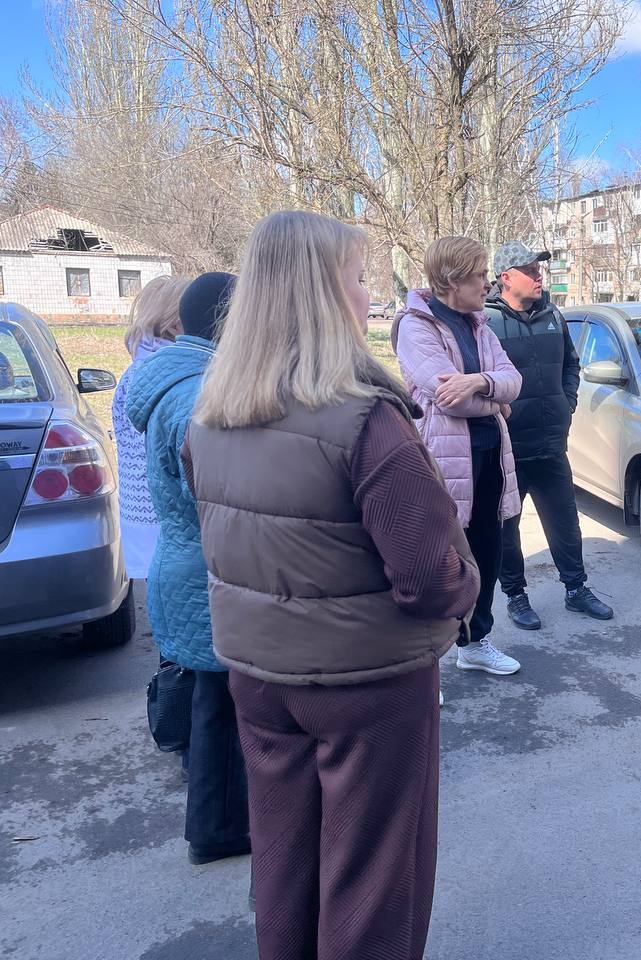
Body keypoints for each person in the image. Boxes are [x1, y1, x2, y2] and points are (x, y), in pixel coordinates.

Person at [186, 211, 479, 959]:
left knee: (284, 861)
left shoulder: (211, 415)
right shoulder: (365, 420)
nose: (367, 298)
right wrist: (470, 580)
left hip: (258, 676)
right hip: (367, 687)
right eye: (356, 279)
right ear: (323, 294)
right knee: (376, 879)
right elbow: (428, 578)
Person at [125, 271, 250, 862]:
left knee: (211, 699)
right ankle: (217, 829)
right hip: (208, 564)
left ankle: (216, 819)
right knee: (222, 706)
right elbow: (224, 494)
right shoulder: (205, 394)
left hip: (183, 557)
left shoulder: (172, 379)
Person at [393, 236, 524, 676]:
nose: (487, 284)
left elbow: (513, 380)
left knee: (487, 552)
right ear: (452, 280)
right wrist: (495, 398)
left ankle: (475, 642)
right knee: (437, 560)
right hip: (444, 462)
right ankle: (425, 662)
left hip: (489, 458)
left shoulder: (479, 324)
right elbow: (447, 398)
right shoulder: (415, 326)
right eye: (480, 275)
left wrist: (479, 383)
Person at [485, 240, 613, 630]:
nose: (540, 276)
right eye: (530, 270)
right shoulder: (485, 322)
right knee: (507, 529)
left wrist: (566, 403)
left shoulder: (553, 316)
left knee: (565, 522)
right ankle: (516, 596)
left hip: (551, 445)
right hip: (508, 450)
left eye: (539, 269)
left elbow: (571, 366)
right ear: (507, 278)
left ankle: (576, 589)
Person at [112, 275, 190, 580]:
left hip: (140, 511)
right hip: (162, 515)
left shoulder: (136, 368)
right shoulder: (161, 372)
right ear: (173, 325)